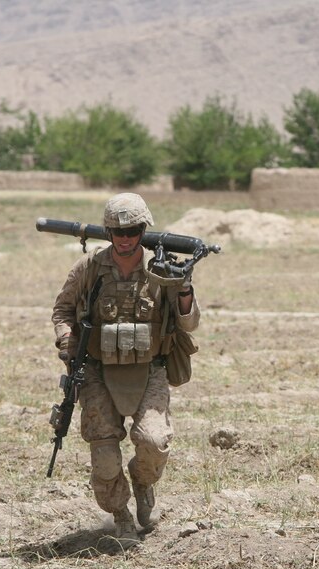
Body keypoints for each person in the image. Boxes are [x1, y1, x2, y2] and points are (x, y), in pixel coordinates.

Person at [51, 193, 199, 546]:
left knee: (152, 441)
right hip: (99, 372)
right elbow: (62, 312)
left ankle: (143, 484)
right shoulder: (89, 268)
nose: (125, 237)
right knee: (103, 457)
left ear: (143, 230)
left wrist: (184, 289)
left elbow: (190, 323)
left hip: (150, 369)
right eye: (117, 231)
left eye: (132, 230)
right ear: (108, 232)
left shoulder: (163, 270)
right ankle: (121, 515)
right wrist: (67, 343)